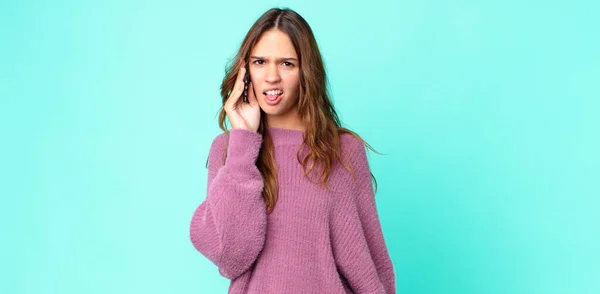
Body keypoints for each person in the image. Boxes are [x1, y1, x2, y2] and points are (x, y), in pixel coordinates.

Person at [189, 7, 396, 293]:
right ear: (245, 71)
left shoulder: (343, 150)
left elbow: (370, 258)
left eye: (286, 64)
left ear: (305, 71)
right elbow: (230, 257)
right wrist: (243, 142)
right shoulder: (227, 150)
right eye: (260, 62)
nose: (272, 76)